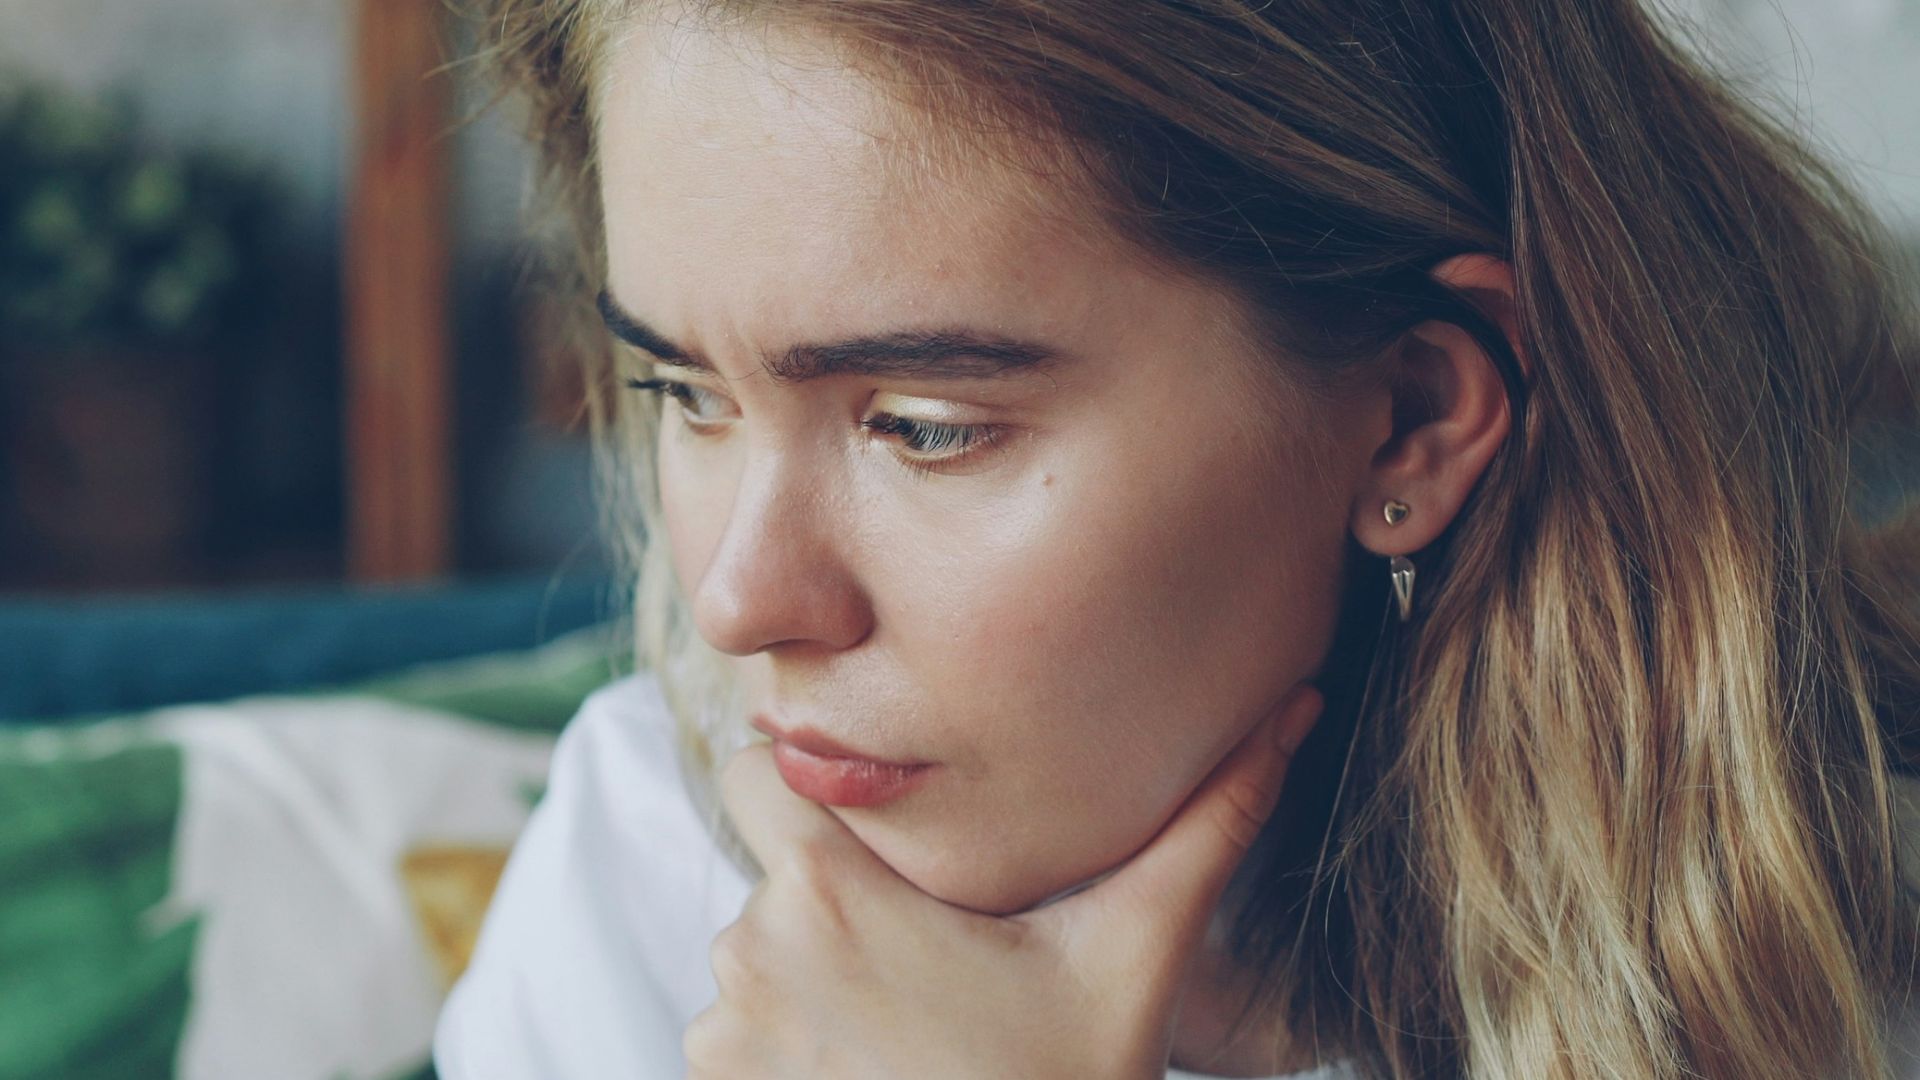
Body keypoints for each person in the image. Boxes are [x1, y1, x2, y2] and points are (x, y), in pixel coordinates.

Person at [433, 0, 1920, 1076]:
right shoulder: (643, 873)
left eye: (926, 426)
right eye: (684, 394)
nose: (741, 598)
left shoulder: (1824, 967)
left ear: (1410, 419)